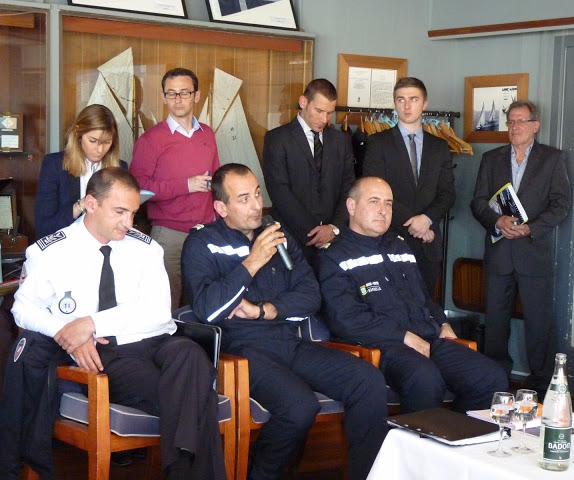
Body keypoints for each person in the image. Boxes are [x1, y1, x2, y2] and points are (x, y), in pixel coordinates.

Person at [0, 168, 226, 480]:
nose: (128, 223)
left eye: (133, 213)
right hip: (112, 355)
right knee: (197, 396)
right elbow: (23, 308)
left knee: (189, 354)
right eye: (120, 212)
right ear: (91, 204)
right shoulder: (52, 250)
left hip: (157, 342)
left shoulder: (145, 248)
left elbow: (159, 311)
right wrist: (65, 333)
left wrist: (89, 322)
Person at [181, 163, 388, 480]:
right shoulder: (202, 243)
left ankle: (366, 475)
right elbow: (207, 309)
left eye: (257, 194)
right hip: (240, 351)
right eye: (243, 199)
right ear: (221, 207)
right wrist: (252, 262)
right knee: (299, 406)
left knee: (368, 380)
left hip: (289, 342)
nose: (255, 206)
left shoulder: (277, 237)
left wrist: (265, 310)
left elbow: (310, 295)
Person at [317, 177, 508, 414]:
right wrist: (402, 336)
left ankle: (454, 438)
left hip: (427, 338)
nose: (383, 210)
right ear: (351, 207)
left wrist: (442, 322)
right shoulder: (334, 256)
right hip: (380, 346)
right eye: (374, 202)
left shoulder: (400, 247)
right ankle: (417, 446)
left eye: (388, 203)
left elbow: (424, 297)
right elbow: (346, 319)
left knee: (491, 377)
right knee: (425, 378)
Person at [470, 100, 571, 392]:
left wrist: (531, 228)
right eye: (510, 122)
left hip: (534, 253)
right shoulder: (491, 159)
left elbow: (561, 204)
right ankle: (495, 382)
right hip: (500, 252)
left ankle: (541, 388)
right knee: (496, 323)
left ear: (535, 126)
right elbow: (477, 202)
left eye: (520, 122)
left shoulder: (553, 159)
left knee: (539, 325)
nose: (514, 127)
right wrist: (497, 220)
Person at [130, 67, 220, 311]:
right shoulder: (150, 139)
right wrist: (186, 185)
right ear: (163, 97)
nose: (178, 100)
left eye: (184, 93)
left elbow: (216, 183)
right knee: (166, 305)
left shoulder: (208, 134)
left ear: (196, 96)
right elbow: (137, 190)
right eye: (171, 94)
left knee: (201, 304)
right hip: (169, 234)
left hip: (206, 232)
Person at [363, 77, 455, 299]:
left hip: (428, 244)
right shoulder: (378, 143)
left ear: (424, 104)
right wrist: (415, 223)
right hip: (391, 240)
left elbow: (447, 193)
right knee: (392, 308)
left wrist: (427, 220)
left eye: (413, 99)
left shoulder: (439, 146)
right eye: (401, 99)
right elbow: (375, 192)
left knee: (424, 309)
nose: (407, 106)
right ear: (394, 103)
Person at [263, 78, 355, 263]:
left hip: (334, 241)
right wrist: (313, 231)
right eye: (319, 111)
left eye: (330, 113)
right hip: (292, 239)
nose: (324, 119)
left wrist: (333, 228)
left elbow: (349, 187)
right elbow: (280, 191)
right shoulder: (277, 139)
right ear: (303, 102)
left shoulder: (341, 141)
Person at [35, 104, 127, 239]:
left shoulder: (121, 168)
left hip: (106, 245)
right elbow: (44, 227)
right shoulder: (54, 165)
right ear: (78, 133)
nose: (100, 149)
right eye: (93, 141)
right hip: (65, 246)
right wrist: (80, 205)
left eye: (107, 142)